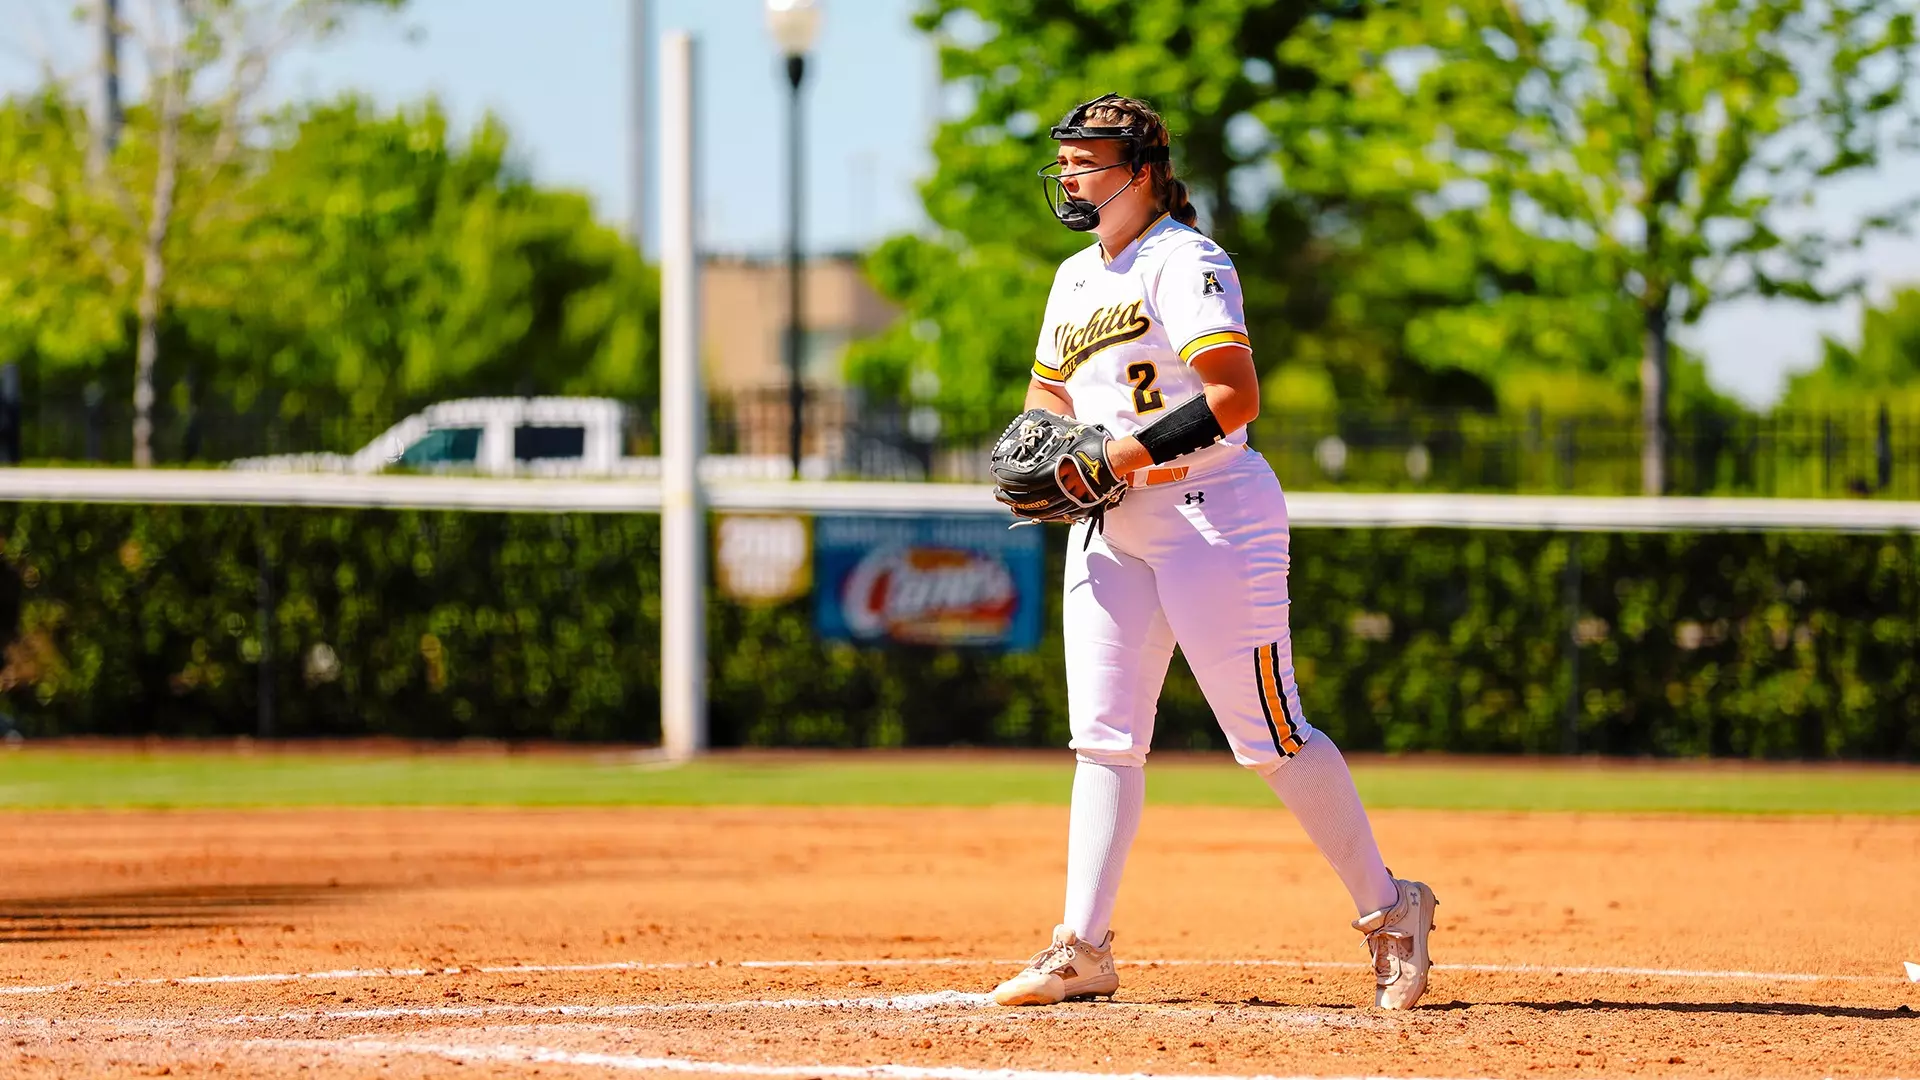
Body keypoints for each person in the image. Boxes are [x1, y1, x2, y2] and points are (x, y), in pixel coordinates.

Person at [987, 93, 1438, 1010]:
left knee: (1268, 738)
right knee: (1104, 744)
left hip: (1211, 516)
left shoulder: (1186, 259)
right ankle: (1083, 946)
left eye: (1086, 160)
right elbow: (1050, 399)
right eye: (1065, 161)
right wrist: (1044, 445)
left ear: (1141, 171)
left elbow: (1234, 396)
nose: (1069, 175)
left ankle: (1392, 909)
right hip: (1113, 527)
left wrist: (1117, 455)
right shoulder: (1074, 276)